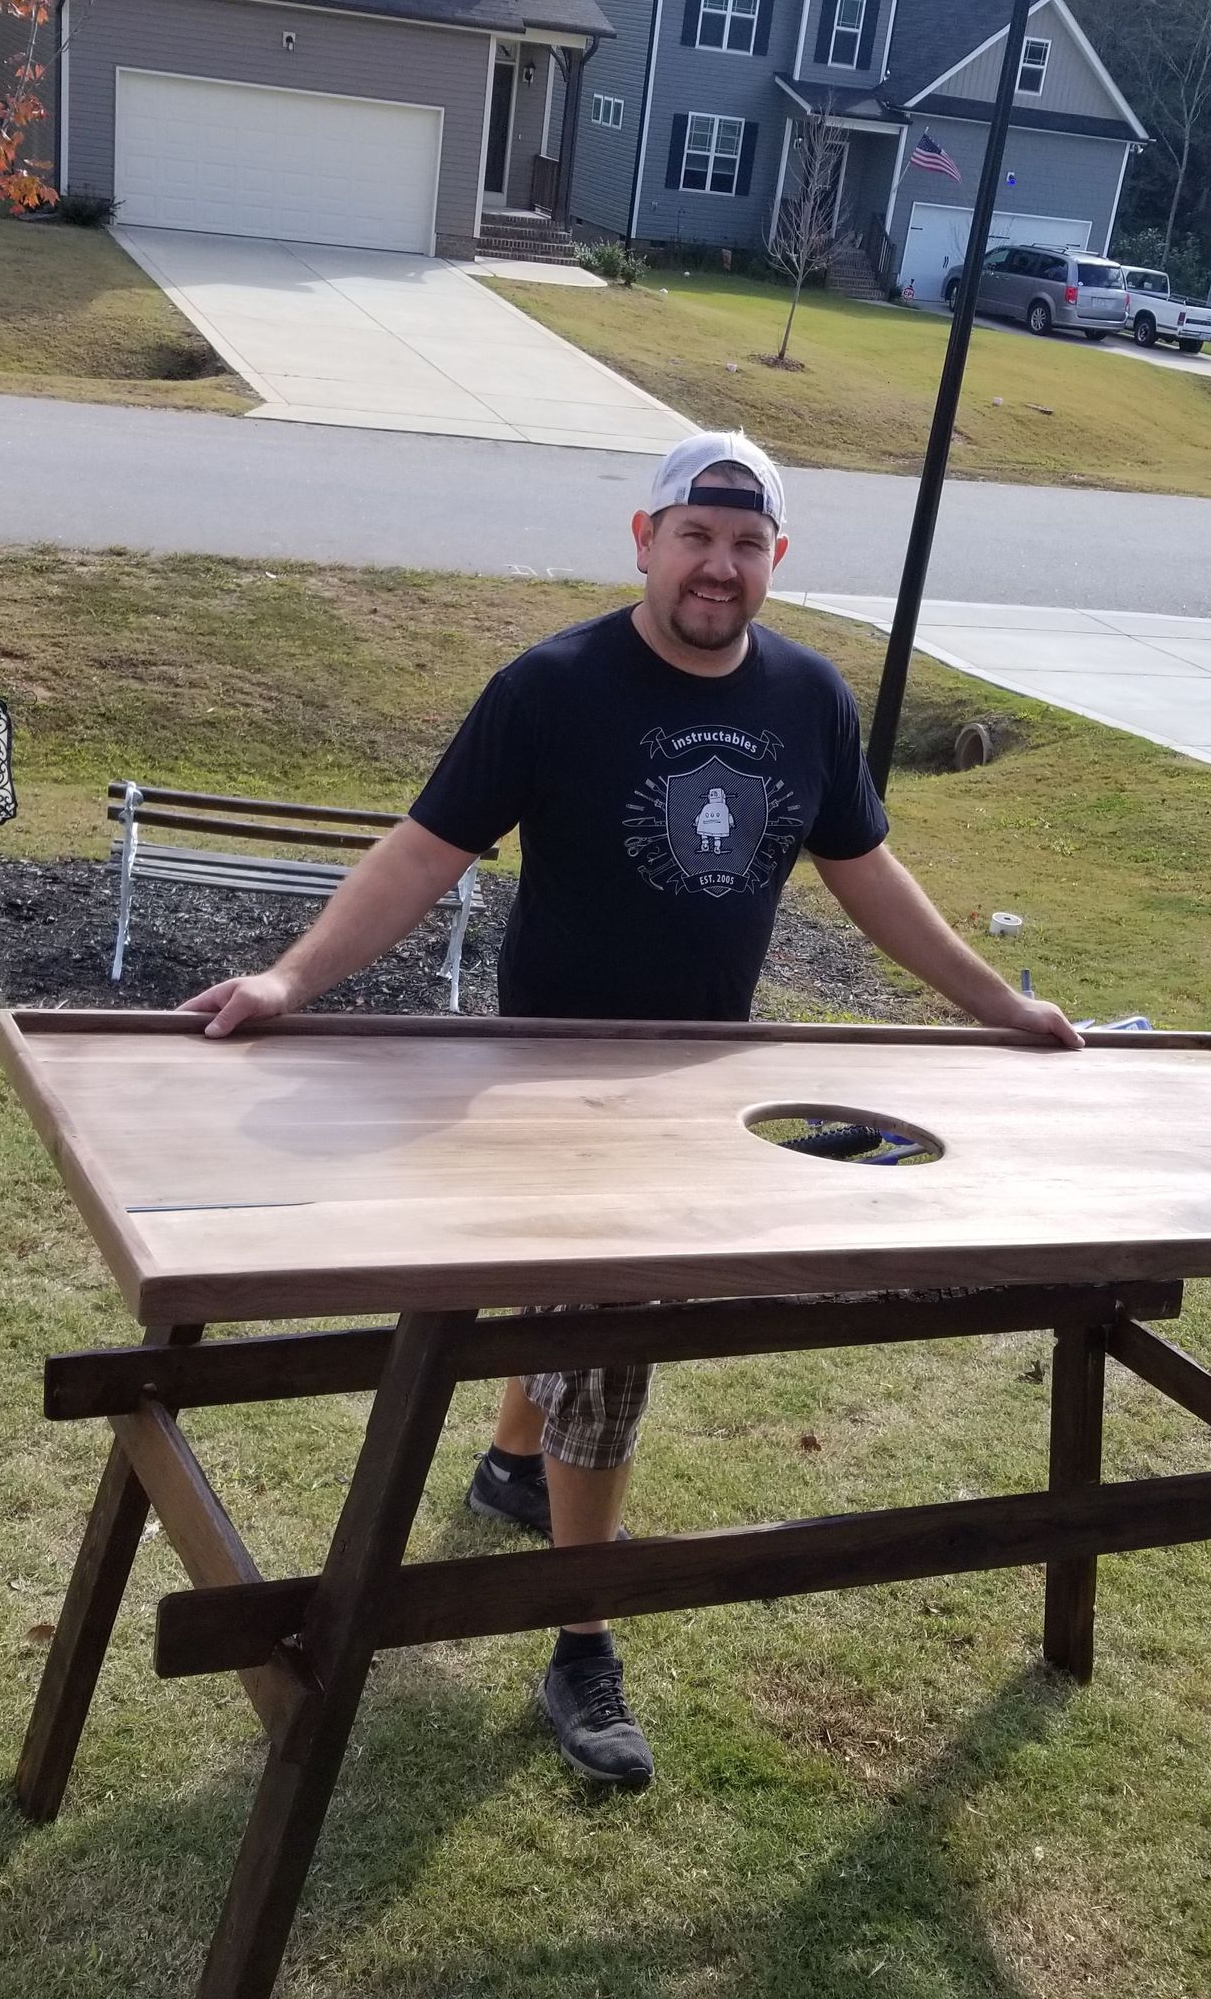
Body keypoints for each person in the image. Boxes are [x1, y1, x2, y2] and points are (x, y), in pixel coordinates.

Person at [179, 429, 1079, 1790]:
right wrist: (291, 978)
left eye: (746, 544)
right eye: (695, 537)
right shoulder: (551, 688)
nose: (718, 566)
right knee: (604, 1337)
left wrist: (997, 1005)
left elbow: (868, 875)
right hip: (548, 1081)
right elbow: (423, 853)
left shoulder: (810, 700)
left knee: (576, 1319)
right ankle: (582, 1637)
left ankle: (510, 1467)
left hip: (703, 1083)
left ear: (776, 557)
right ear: (645, 540)